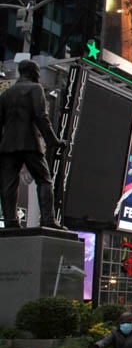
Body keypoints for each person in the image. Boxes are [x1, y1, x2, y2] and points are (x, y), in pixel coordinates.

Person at [0, 60, 66, 228]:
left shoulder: (6, 95)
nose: (38, 75)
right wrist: (53, 141)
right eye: (37, 72)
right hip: (29, 143)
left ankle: (10, 221)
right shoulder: (35, 89)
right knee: (44, 180)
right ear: (30, 71)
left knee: (9, 184)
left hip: (8, 146)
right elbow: (41, 117)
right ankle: (48, 219)